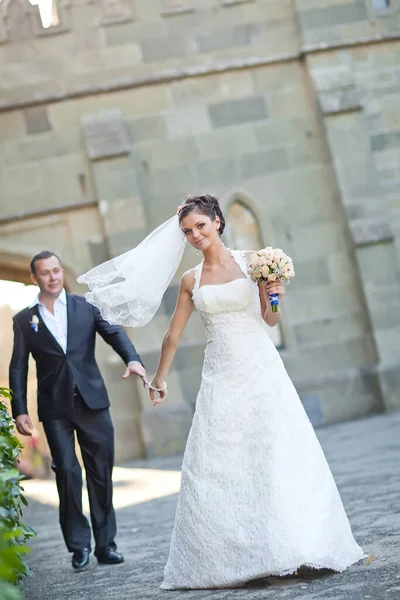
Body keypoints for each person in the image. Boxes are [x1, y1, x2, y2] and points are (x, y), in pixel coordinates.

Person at [147, 194, 365, 589]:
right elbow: (172, 336)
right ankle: (235, 555)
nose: (195, 235)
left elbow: (270, 317)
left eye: (200, 226)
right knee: (222, 459)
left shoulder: (255, 262)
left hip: (262, 368)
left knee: (277, 449)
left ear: (217, 221)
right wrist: (158, 379)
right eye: (187, 232)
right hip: (221, 373)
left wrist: (275, 293)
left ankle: (298, 544)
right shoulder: (190, 280)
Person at [9, 250, 147, 571]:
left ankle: (106, 544)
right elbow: (17, 367)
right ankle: (79, 545)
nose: (53, 276)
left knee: (100, 473)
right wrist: (20, 409)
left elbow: (113, 333)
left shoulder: (86, 306)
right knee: (68, 474)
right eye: (45, 273)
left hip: (92, 401)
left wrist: (133, 359)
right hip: (55, 408)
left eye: (57, 270)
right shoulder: (24, 320)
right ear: (35, 279)